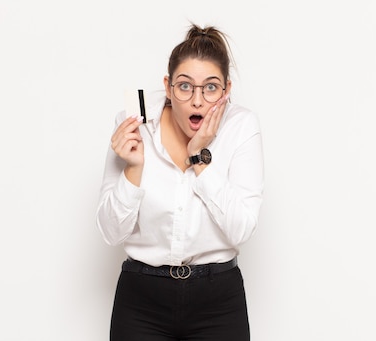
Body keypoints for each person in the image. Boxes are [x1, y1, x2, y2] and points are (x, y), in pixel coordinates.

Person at [96, 23, 264, 341]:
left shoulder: (241, 126)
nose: (197, 100)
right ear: (169, 86)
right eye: (185, 86)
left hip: (218, 300)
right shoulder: (134, 126)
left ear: (227, 90)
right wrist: (133, 169)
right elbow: (110, 232)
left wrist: (199, 156)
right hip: (141, 299)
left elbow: (242, 229)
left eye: (211, 88)